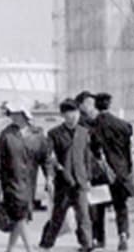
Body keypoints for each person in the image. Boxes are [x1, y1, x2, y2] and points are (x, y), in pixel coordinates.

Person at [38, 98, 92, 252]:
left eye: (75, 112)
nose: (73, 116)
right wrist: (49, 177)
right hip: (63, 181)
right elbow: (49, 158)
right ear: (63, 115)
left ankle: (86, 244)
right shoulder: (54, 133)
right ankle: (47, 244)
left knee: (83, 216)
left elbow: (87, 157)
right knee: (58, 216)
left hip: (81, 181)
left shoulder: (84, 132)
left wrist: (88, 177)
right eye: (69, 113)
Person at [90, 92, 134, 251]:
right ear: (109, 105)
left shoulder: (92, 125)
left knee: (98, 206)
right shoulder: (123, 125)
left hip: (100, 173)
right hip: (120, 171)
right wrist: (128, 170)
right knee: (121, 206)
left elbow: (92, 151)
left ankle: (98, 239)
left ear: (96, 106)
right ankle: (123, 234)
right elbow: (128, 151)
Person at [0, 102, 36, 252]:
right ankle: (30, 249)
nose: (12, 116)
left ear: (24, 115)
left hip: (29, 180)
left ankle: (10, 249)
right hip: (11, 180)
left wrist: (49, 174)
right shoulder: (6, 133)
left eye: (16, 113)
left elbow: (44, 155)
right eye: (11, 113)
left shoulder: (36, 133)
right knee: (20, 215)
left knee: (19, 217)